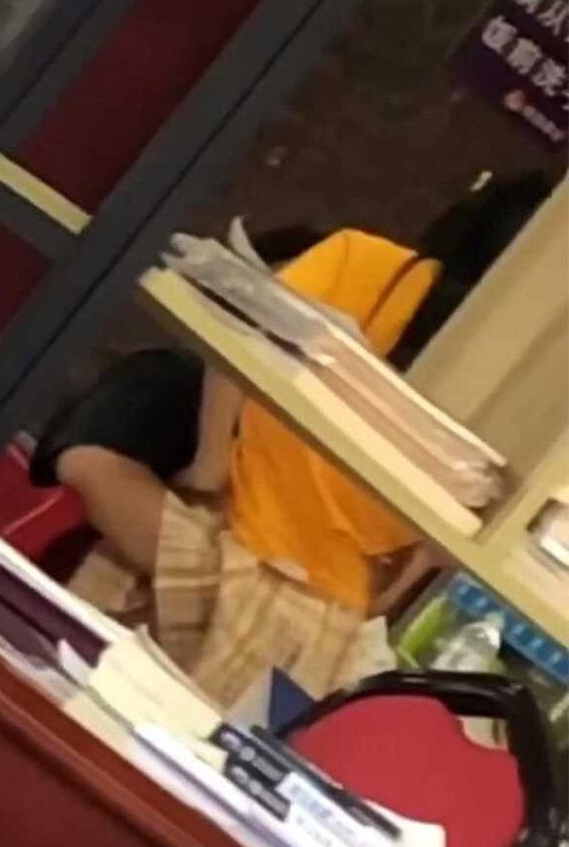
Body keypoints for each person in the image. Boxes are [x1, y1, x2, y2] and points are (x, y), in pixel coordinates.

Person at [30, 174, 549, 707]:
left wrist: (209, 465)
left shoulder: (366, 261)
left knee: (64, 694)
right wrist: (379, 599)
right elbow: (478, 525)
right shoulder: (516, 387)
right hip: (318, 617)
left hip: (221, 529)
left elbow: (239, 337)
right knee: (169, 739)